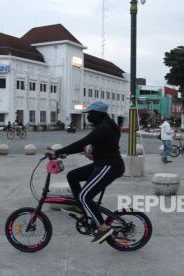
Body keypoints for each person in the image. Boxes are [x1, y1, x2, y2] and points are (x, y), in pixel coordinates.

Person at [45, 101, 125, 244]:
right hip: (101, 164)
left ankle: (103, 228)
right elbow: (92, 145)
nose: (88, 117)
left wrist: (58, 151)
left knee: (84, 195)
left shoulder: (104, 128)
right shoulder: (106, 125)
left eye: (90, 114)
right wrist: (68, 153)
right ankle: (80, 207)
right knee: (73, 176)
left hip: (109, 166)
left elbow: (83, 142)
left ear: (97, 114)